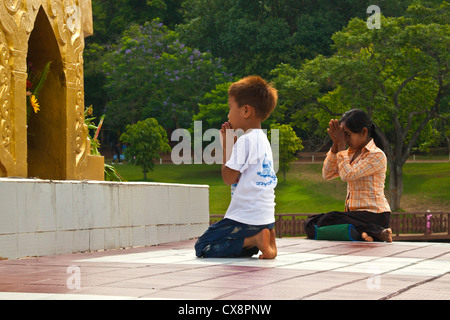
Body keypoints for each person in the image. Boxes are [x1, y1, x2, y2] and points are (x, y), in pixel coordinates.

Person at [195, 76, 278, 259]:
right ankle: (266, 238)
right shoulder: (263, 140)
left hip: (244, 218)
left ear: (246, 111)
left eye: (230, 107)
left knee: (203, 246)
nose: (228, 114)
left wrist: (227, 148)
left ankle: (255, 240)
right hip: (265, 218)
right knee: (239, 250)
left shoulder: (245, 141)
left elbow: (228, 178)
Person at [305, 109, 393, 242]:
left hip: (375, 215)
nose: (345, 139)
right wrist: (335, 145)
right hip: (354, 216)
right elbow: (327, 174)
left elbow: (347, 174)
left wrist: (340, 145)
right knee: (311, 223)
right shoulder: (349, 153)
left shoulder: (377, 155)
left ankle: (374, 230)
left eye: (347, 134)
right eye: (342, 135)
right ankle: (368, 233)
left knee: (326, 221)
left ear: (363, 132)